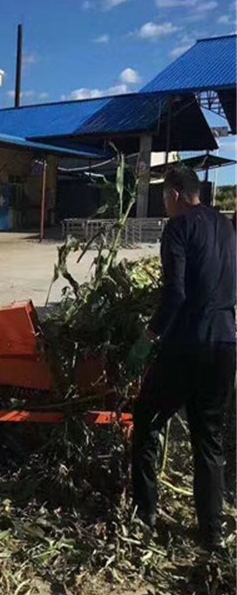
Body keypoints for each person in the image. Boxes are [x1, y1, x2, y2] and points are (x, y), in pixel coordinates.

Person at [126, 166, 236, 550]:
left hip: (187, 345)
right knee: (209, 440)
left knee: (146, 419)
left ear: (175, 193)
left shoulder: (178, 228)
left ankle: (146, 512)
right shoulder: (225, 226)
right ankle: (212, 533)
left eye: (163, 197)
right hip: (225, 344)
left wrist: (148, 338)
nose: (164, 204)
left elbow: (176, 294)